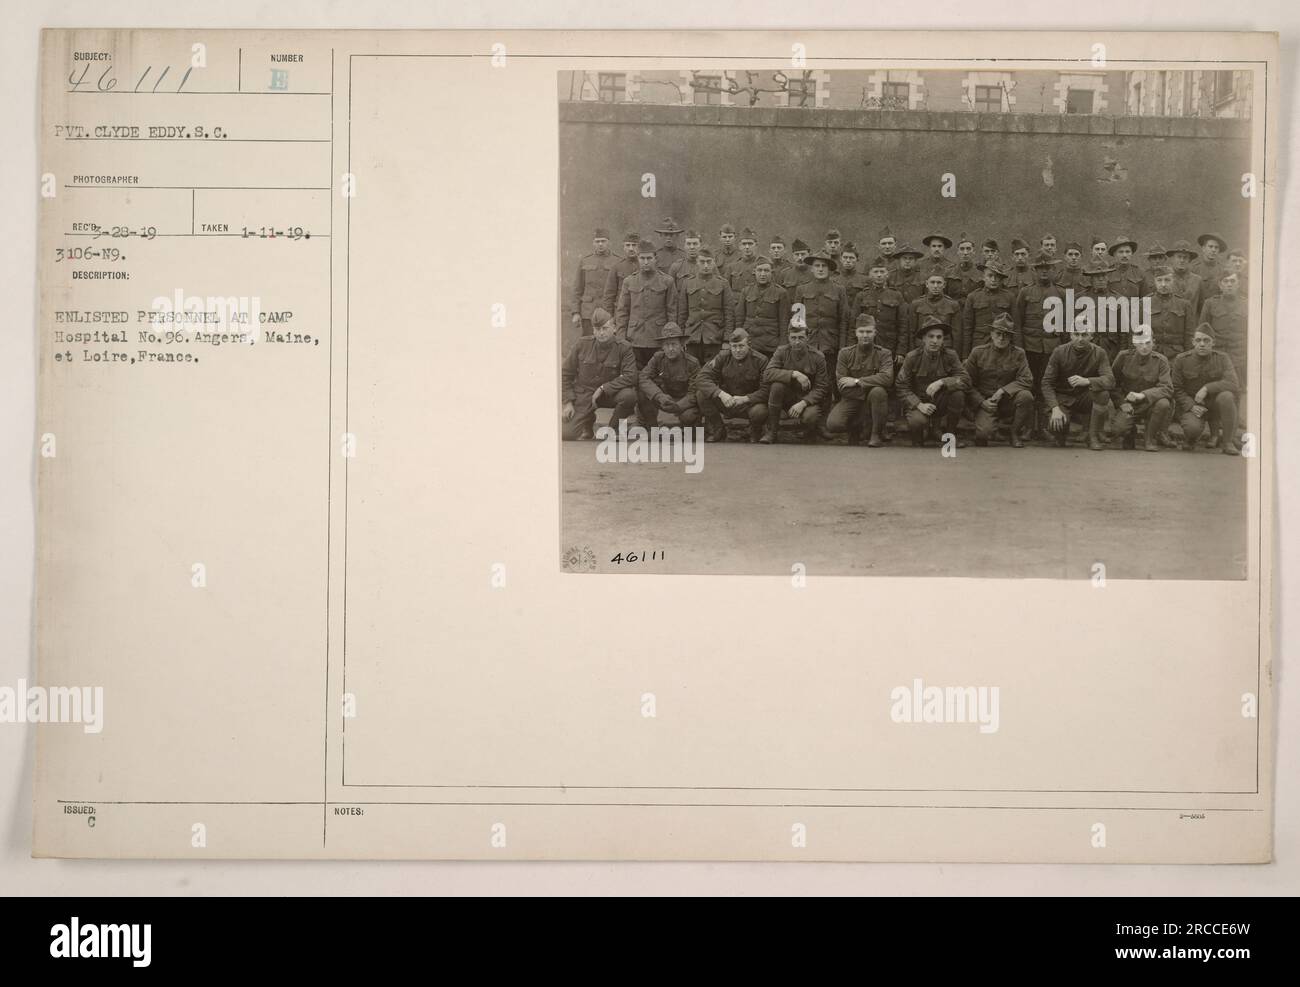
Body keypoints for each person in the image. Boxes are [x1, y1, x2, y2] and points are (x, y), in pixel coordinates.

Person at [560, 308, 638, 440]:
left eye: (605, 328)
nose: (601, 333)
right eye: (597, 329)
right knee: (566, 434)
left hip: (609, 394)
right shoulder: (582, 344)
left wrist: (603, 388)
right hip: (584, 395)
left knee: (629, 396)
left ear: (614, 328)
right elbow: (565, 374)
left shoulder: (624, 347)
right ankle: (587, 422)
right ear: (593, 330)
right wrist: (567, 402)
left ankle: (613, 429)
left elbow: (631, 376)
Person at [1041, 315, 1114, 451]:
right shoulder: (1059, 352)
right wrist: (1055, 408)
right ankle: (1059, 434)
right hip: (1062, 398)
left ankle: (1092, 436)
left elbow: (1110, 380)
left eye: (1084, 334)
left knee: (1103, 394)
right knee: (1058, 426)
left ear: (1091, 335)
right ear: (1070, 335)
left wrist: (1087, 381)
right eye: (1076, 334)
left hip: (1084, 397)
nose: (1080, 339)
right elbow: (1046, 383)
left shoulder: (1099, 353)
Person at [896, 316, 969, 448]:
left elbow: (965, 379)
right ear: (923, 338)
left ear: (943, 339)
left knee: (958, 394)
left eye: (939, 337)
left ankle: (949, 436)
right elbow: (901, 386)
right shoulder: (912, 357)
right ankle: (919, 436)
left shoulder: (950, 355)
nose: (935, 341)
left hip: (939, 401)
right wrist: (919, 404)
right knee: (917, 422)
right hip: (918, 402)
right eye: (931, 336)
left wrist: (943, 381)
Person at [1014, 252, 1065, 439]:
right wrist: (1019, 348)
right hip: (1030, 347)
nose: (1044, 272)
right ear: (1034, 271)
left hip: (1052, 348)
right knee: (1030, 386)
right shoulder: (1025, 292)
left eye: (1048, 268)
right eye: (1040, 269)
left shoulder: (1061, 293)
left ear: (1053, 271)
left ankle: (1044, 427)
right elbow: (1018, 323)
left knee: (1048, 386)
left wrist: (1063, 349)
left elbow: (1065, 325)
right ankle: (1028, 427)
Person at [963, 313, 1033, 447]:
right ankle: (988, 426)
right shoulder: (977, 352)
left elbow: (1027, 379)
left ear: (1011, 337)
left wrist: (1003, 391)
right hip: (986, 401)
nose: (1001, 338)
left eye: (1006, 335)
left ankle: (1014, 432)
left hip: (1008, 400)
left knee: (1026, 396)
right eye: (998, 333)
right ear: (991, 334)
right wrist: (981, 402)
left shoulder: (1019, 353)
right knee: (984, 435)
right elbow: (967, 383)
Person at [1172, 323, 1241, 455]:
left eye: (1206, 340)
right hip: (1194, 405)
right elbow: (1177, 388)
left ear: (1213, 343)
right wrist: (1191, 405)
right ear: (1193, 342)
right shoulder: (1181, 360)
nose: (1202, 344)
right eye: (1198, 340)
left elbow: (1233, 383)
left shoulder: (1222, 358)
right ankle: (1192, 438)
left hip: (1215, 405)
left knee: (1227, 396)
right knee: (1192, 428)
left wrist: (1207, 388)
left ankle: (1228, 442)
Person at [826, 315, 894, 447]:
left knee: (878, 392)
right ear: (856, 333)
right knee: (833, 424)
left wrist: (857, 381)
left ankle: (875, 435)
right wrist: (869, 385)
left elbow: (887, 379)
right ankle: (858, 427)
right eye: (861, 331)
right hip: (851, 400)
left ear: (875, 333)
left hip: (873, 400)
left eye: (868, 331)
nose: (865, 335)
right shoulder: (845, 353)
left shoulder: (884, 354)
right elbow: (842, 385)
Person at [695, 327, 770, 442]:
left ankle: (755, 430)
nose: (737, 350)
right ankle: (718, 429)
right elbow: (701, 378)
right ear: (730, 346)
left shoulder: (761, 360)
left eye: (741, 346)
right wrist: (720, 394)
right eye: (734, 346)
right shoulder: (722, 357)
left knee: (760, 411)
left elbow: (766, 390)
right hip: (728, 401)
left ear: (749, 345)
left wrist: (746, 399)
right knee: (702, 394)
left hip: (749, 405)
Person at [1108, 324, 1174, 452]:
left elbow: (1167, 388)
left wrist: (1144, 395)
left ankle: (1149, 439)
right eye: (1140, 343)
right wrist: (1121, 403)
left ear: (1153, 342)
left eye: (1148, 343)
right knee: (1119, 429)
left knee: (1164, 403)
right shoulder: (1123, 357)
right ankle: (1130, 432)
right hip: (1129, 404)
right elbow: (1112, 384)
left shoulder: (1161, 361)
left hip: (1150, 404)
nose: (1144, 347)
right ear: (1134, 343)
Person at [759, 321, 828, 444]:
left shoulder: (818, 357)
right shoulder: (782, 352)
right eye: (793, 338)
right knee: (776, 386)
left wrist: (803, 403)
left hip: (807, 400)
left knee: (810, 417)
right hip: (787, 398)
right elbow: (767, 374)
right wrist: (794, 374)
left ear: (807, 338)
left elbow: (822, 388)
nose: (797, 341)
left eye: (801, 338)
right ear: (788, 338)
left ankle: (810, 432)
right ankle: (772, 432)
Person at [616, 240, 678, 369]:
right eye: (642, 258)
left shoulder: (667, 281)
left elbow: (672, 312)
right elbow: (622, 311)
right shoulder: (629, 281)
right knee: (634, 373)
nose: (645, 262)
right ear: (638, 259)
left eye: (649, 258)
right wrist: (621, 338)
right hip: (634, 337)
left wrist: (670, 338)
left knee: (658, 372)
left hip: (658, 337)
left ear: (655, 259)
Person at [637, 323, 702, 428]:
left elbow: (694, 391)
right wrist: (659, 396)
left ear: (681, 345)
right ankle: (649, 427)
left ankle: (688, 429)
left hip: (683, 402)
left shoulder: (692, 363)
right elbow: (643, 377)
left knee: (689, 417)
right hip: (664, 399)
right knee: (642, 393)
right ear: (662, 346)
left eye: (674, 344)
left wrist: (678, 406)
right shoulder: (658, 358)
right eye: (667, 345)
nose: (671, 348)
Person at [678, 247, 734, 364]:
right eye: (702, 262)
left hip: (715, 337)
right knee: (692, 372)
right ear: (697, 263)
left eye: (709, 262)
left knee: (712, 373)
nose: (706, 265)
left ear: (714, 262)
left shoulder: (723, 283)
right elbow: (682, 314)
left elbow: (729, 314)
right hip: (692, 336)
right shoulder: (687, 282)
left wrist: (727, 340)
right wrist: (681, 339)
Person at [852, 257, 911, 359]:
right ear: (870, 275)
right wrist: (852, 348)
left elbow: (903, 325)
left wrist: (901, 351)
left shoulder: (896, 295)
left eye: (882, 272)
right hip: (865, 345)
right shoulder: (861, 296)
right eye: (876, 272)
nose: (879, 275)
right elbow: (853, 324)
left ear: (887, 274)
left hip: (889, 345)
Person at [735, 256, 790, 357]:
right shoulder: (746, 291)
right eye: (759, 270)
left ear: (772, 272)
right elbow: (739, 318)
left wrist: (783, 345)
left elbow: (784, 321)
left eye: (766, 270)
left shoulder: (781, 292)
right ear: (754, 272)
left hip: (770, 344)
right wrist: (738, 339)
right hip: (749, 342)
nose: (763, 274)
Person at [961, 259, 1014, 358]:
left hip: (1003, 344)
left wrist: (1016, 353)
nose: (993, 280)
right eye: (990, 276)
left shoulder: (1009, 297)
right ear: (983, 277)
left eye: (997, 277)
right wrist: (965, 356)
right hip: (979, 345)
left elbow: (1016, 327)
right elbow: (967, 329)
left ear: (1001, 279)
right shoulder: (973, 297)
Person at [571, 228, 618, 335]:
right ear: (593, 243)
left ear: (609, 243)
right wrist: (576, 312)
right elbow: (577, 288)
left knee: (608, 343)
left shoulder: (617, 261)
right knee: (588, 343)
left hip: (609, 312)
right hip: (588, 312)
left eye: (603, 241)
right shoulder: (585, 261)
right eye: (597, 241)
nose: (600, 244)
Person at [1199, 270, 1246, 377]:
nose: (1229, 284)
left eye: (1232, 281)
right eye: (1225, 281)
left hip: (1240, 358)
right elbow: (1202, 331)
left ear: (1238, 284)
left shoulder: (1247, 304)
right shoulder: (1210, 303)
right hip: (1216, 357)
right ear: (1220, 285)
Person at [600, 231, 642, 314]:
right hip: (621, 312)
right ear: (623, 247)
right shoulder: (616, 267)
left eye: (634, 245)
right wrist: (609, 317)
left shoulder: (645, 266)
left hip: (641, 311)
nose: (631, 248)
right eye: (628, 245)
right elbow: (609, 295)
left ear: (639, 247)